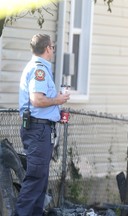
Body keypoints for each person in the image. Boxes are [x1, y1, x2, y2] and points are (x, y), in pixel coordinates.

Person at [16, 34, 70, 216]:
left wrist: (55, 112)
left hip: (39, 128)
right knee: (35, 180)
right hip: (38, 130)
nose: (53, 50)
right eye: (53, 47)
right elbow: (37, 100)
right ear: (47, 48)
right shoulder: (39, 69)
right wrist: (58, 100)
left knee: (41, 181)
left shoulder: (38, 67)